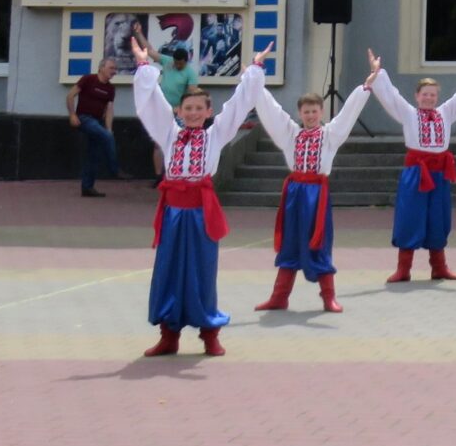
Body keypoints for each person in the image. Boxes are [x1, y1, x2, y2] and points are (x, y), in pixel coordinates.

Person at [131, 37, 266, 357]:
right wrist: (144, 66)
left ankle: (209, 334)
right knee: (168, 271)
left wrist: (254, 71)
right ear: (179, 111)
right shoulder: (169, 132)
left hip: (201, 214)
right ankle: (169, 335)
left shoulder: (215, 135)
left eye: (198, 109)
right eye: (187, 109)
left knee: (202, 272)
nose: (192, 113)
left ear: (208, 112)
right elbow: (151, 106)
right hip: (173, 214)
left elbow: (237, 108)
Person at [251, 66, 370, 314]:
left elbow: (347, 115)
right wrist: (254, 77)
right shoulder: (290, 134)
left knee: (319, 240)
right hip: (295, 193)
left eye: (314, 111)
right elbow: (272, 111)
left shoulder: (330, 135)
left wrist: (365, 88)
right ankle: (279, 297)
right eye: (306, 112)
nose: (310, 115)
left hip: (317, 194)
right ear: (300, 113)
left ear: (321, 112)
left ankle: (328, 297)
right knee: (290, 240)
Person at [369, 47, 456, 284]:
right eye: (425, 94)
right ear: (417, 96)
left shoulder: (446, 112)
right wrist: (378, 73)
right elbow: (391, 97)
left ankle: (439, 267)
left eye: (433, 95)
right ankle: (403, 268)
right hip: (416, 172)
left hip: (439, 173)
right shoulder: (408, 113)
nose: (429, 98)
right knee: (410, 217)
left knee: (438, 217)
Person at [66, 58, 121, 197]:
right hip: (84, 119)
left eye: (115, 69)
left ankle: (87, 187)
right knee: (106, 137)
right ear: (101, 68)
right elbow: (70, 96)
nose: (114, 71)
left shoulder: (110, 88)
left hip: (97, 121)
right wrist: (72, 115)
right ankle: (115, 169)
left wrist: (109, 129)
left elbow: (109, 110)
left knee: (93, 154)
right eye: (111, 68)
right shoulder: (88, 79)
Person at [148, 44, 200, 186]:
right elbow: (150, 52)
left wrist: (180, 107)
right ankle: (158, 176)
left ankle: (177, 173)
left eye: (180, 64)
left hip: (178, 113)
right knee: (157, 143)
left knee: (179, 143)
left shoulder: (190, 73)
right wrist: (139, 35)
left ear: (186, 61)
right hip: (161, 110)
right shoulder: (167, 61)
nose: (177, 66)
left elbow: (191, 94)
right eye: (176, 63)